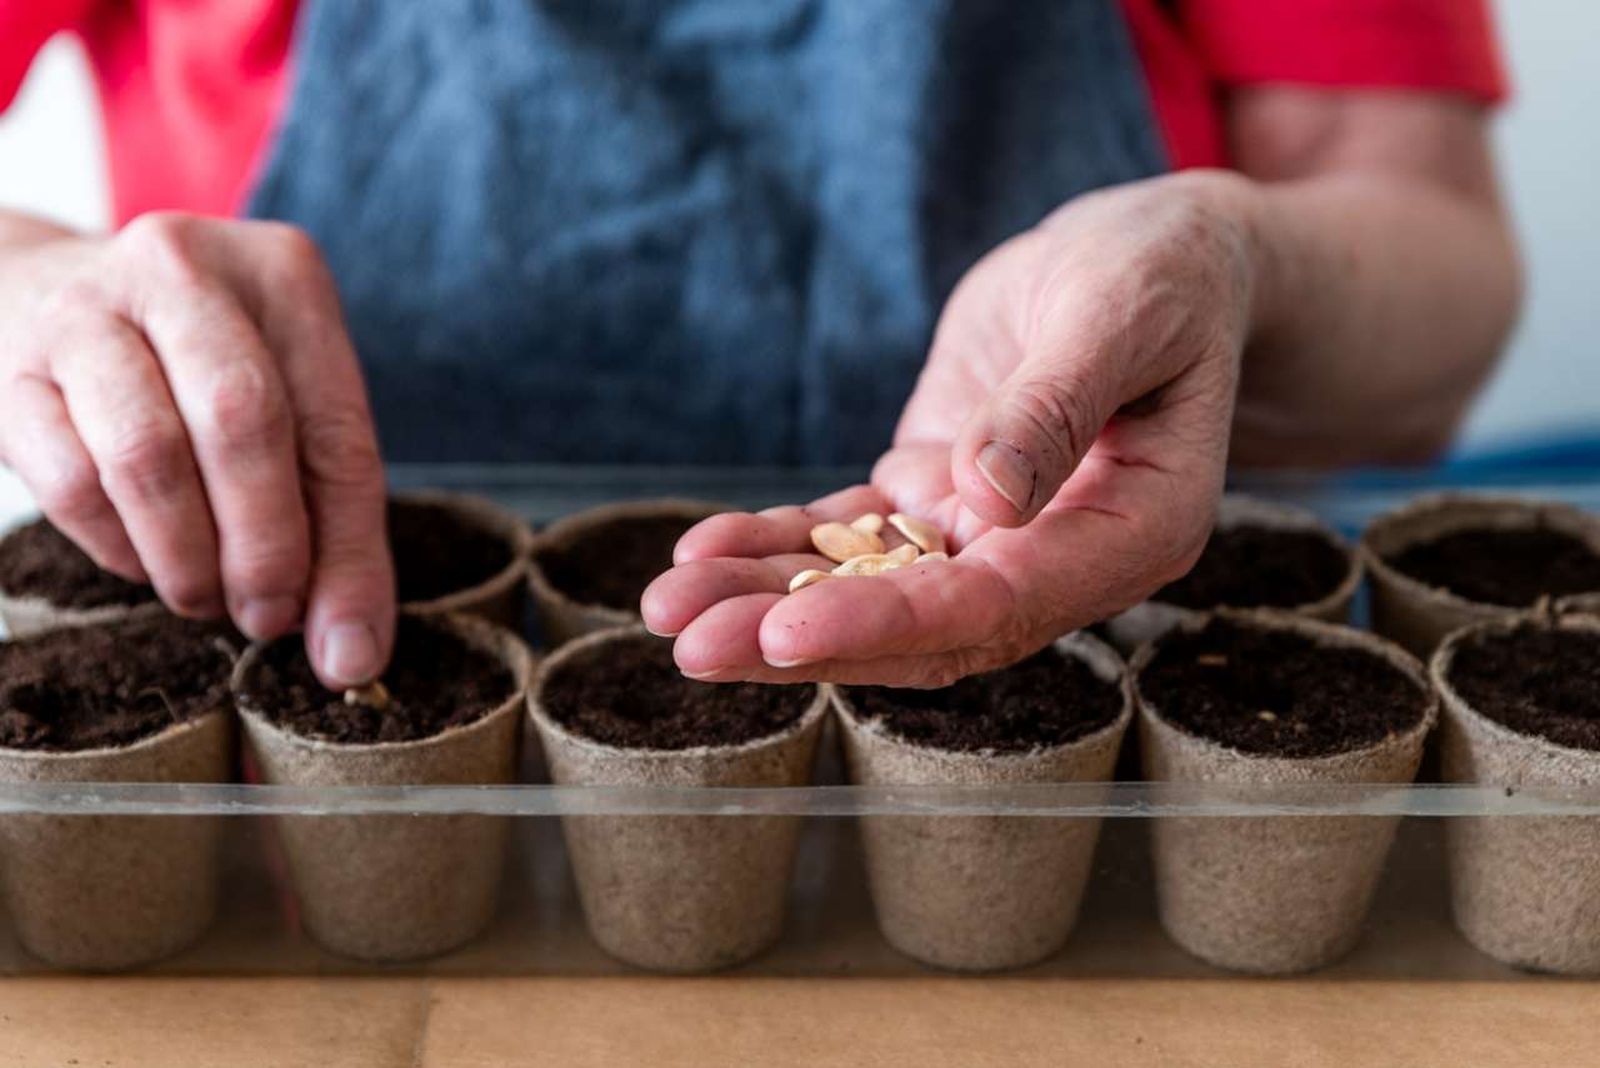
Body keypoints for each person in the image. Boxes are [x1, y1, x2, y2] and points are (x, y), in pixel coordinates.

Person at [0, 1, 1519, 689]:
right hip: (310, 699)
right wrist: (31, 281)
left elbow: (1439, 269)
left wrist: (1236, 253)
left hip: (1111, 661)